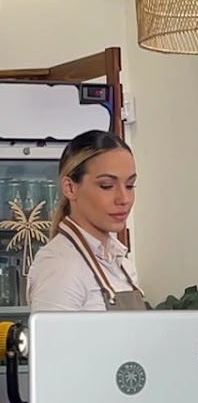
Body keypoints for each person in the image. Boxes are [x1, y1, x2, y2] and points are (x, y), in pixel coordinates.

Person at [27, 130, 145, 312]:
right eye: (107, 186)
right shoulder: (59, 266)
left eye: (130, 185)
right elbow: (53, 332)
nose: (124, 199)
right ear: (70, 188)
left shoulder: (121, 263)